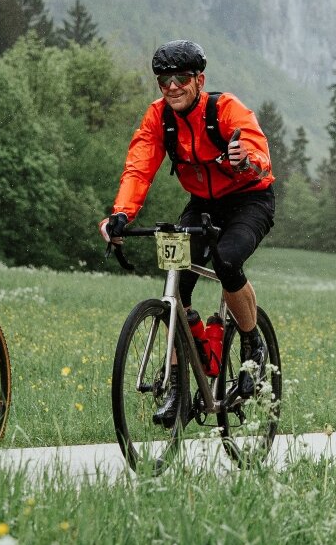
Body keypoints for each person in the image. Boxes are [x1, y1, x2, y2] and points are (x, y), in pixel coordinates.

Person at [100, 39, 275, 424]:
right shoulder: (158, 118)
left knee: (228, 261)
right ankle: (179, 387)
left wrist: (245, 159)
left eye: (181, 78)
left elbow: (257, 151)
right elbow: (138, 167)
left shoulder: (224, 109)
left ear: (199, 80)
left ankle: (251, 344)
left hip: (249, 199)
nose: (172, 87)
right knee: (176, 284)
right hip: (202, 204)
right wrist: (120, 215)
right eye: (164, 81)